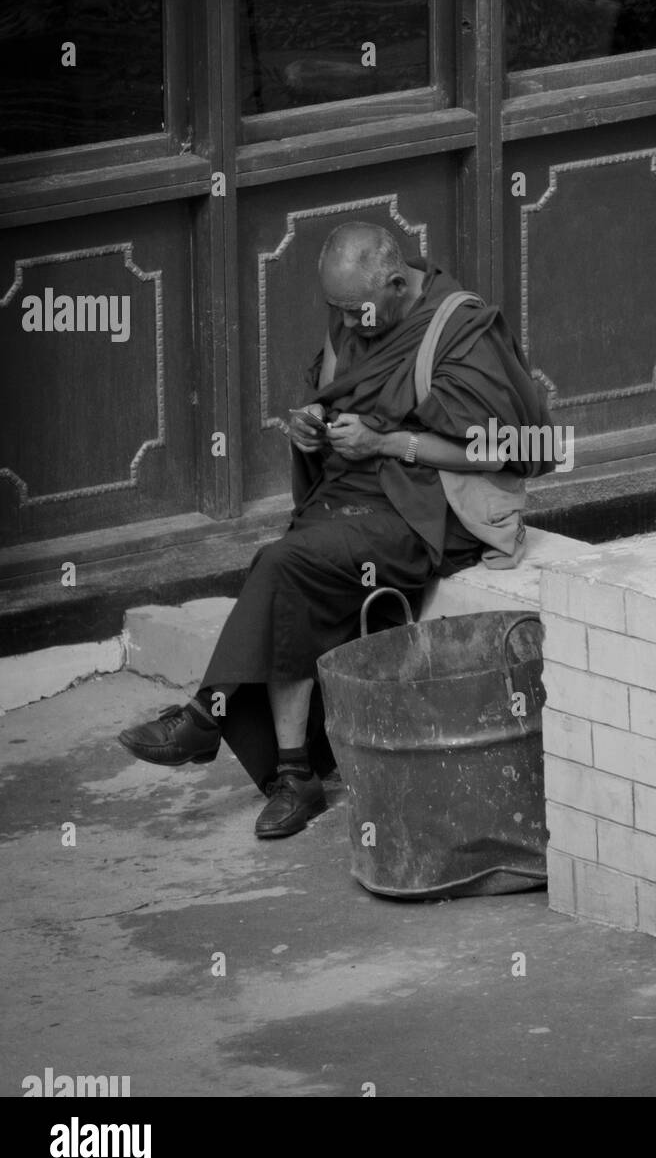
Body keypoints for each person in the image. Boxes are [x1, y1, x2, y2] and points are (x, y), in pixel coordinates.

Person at [118, 222, 557, 838]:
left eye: (357, 310)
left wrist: (388, 441)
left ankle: (207, 718)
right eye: (338, 311)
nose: (348, 325)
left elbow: (509, 447)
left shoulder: (460, 329)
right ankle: (293, 774)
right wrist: (314, 425)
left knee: (281, 565)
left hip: (424, 515)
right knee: (287, 572)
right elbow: (341, 397)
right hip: (350, 497)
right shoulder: (357, 321)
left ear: (398, 285)